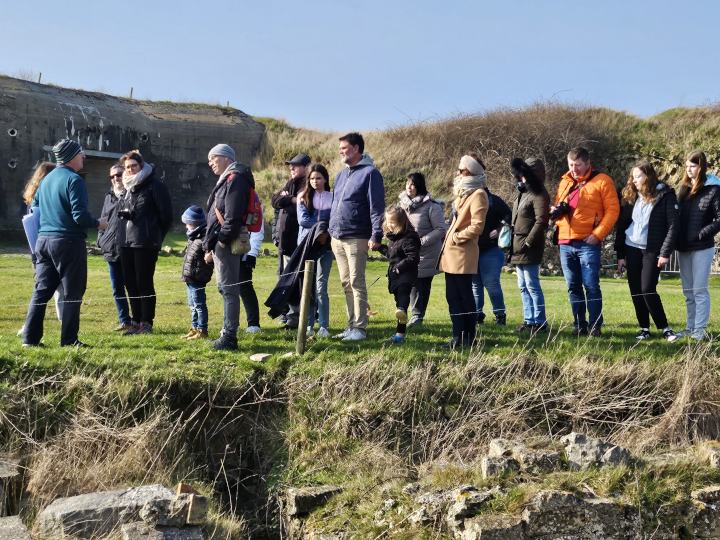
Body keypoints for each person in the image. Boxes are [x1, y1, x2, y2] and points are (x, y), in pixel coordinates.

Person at [21, 139, 107, 347]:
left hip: (43, 241)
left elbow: (36, 211)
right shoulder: (74, 180)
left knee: (41, 290)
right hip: (67, 241)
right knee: (72, 291)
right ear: (71, 156)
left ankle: (30, 339)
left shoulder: (46, 180)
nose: (84, 157)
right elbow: (80, 216)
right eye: (81, 153)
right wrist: (98, 223)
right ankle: (69, 340)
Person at [552, 147, 619, 336]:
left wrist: (597, 234)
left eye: (577, 165)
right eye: (571, 165)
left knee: (591, 285)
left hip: (588, 243)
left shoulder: (603, 181)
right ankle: (579, 324)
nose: (574, 169)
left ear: (588, 163)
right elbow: (560, 205)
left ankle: (595, 326)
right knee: (572, 286)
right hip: (565, 242)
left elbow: (613, 211)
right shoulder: (565, 181)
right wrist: (556, 213)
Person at [329, 132, 385, 342]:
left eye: (344, 148)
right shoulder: (341, 175)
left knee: (356, 281)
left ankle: (360, 328)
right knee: (345, 282)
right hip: (338, 237)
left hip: (357, 236)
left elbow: (377, 207)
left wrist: (376, 234)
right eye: (340, 148)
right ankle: (351, 325)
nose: (340, 152)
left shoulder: (371, 173)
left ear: (356, 149)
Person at [615, 160, 679, 341]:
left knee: (647, 288)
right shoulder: (630, 196)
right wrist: (620, 255)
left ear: (648, 176)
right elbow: (622, 226)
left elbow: (673, 226)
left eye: (638, 176)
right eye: (633, 177)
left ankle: (665, 328)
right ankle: (644, 328)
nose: (634, 180)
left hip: (652, 250)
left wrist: (665, 253)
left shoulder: (665, 195)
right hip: (631, 247)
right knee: (636, 290)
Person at [203, 143, 255, 351]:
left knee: (228, 288)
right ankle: (227, 333)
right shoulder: (229, 178)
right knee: (225, 287)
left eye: (212, 158)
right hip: (221, 242)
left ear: (225, 158)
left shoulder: (235, 179)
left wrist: (221, 241)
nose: (210, 163)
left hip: (225, 242)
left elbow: (232, 216)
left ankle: (230, 337)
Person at [117, 150, 173, 335]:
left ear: (141, 165)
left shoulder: (155, 185)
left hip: (145, 242)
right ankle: (135, 320)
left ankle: (146, 322)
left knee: (144, 282)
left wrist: (155, 236)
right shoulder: (126, 188)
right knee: (130, 283)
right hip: (125, 242)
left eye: (134, 165)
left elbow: (166, 216)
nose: (131, 169)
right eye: (127, 167)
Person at [439, 154, 489, 349]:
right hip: (452, 254)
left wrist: (456, 237)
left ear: (469, 172)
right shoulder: (463, 193)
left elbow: (477, 226)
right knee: (453, 297)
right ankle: (459, 336)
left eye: (461, 170)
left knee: (463, 297)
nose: (458, 173)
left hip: (463, 253)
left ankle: (465, 337)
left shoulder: (478, 194)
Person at [675, 150, 720, 340]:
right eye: (687, 166)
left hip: (702, 247)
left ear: (701, 167)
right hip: (683, 247)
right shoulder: (684, 189)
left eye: (692, 166)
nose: (689, 170)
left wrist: (702, 234)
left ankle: (699, 331)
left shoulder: (714, 189)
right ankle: (690, 327)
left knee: (699, 290)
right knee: (688, 291)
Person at [398, 172, 446, 327]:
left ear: (419, 186)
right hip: (407, 252)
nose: (409, 187)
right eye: (407, 184)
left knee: (421, 284)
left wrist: (421, 242)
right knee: (409, 282)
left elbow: (440, 229)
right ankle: (408, 313)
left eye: (412, 184)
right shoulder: (402, 204)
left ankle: (417, 316)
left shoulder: (432, 206)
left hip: (427, 253)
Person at [509, 157, 550, 334]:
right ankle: (529, 320)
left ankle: (539, 322)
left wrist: (528, 242)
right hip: (518, 246)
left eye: (525, 175)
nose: (521, 178)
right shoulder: (523, 193)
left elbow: (541, 221)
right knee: (522, 286)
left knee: (532, 285)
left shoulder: (539, 194)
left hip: (529, 246)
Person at [20, 161, 64, 327]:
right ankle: (31, 327)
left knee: (42, 289)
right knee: (52, 289)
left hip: (36, 248)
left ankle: (29, 327)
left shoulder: (33, 197)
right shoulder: (46, 197)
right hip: (49, 245)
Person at [271, 153, 310, 328]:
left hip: (297, 242)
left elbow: (307, 203)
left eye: (295, 165)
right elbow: (275, 200)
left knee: (295, 281)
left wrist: (286, 199)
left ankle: (295, 318)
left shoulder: (309, 184)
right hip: (284, 242)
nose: (291, 168)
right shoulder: (290, 183)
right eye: (290, 165)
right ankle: (286, 314)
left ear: (306, 167)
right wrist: (292, 199)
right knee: (283, 278)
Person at [471, 158, 512, 326]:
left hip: (491, 250)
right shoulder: (468, 201)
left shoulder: (494, 200)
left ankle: (500, 315)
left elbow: (509, 216)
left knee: (491, 282)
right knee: (475, 284)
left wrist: (501, 228)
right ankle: (476, 314)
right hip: (473, 248)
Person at [297, 163, 334, 338]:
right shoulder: (302, 197)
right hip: (307, 247)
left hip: (326, 246)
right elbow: (303, 221)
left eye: (318, 178)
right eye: (312, 178)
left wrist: (325, 234)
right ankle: (309, 324)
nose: (315, 181)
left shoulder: (333, 197)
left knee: (321, 286)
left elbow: (335, 220)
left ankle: (324, 326)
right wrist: (321, 229)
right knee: (308, 287)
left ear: (325, 179)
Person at [97, 163, 132, 332]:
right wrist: (100, 240)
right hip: (111, 248)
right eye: (112, 176)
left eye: (118, 174)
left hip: (129, 247)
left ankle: (140, 320)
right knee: (116, 287)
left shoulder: (131, 194)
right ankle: (124, 320)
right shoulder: (109, 196)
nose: (115, 178)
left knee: (133, 286)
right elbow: (103, 219)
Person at [380, 206, 420, 344]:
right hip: (395, 274)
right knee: (398, 301)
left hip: (406, 273)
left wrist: (399, 267)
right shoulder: (394, 238)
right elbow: (392, 255)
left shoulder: (409, 237)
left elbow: (413, 257)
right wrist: (379, 247)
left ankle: (402, 309)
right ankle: (400, 335)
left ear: (402, 222)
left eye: (393, 222)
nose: (389, 225)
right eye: (388, 221)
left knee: (403, 293)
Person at [181, 205, 213, 340]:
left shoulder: (205, 237)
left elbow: (209, 257)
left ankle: (202, 330)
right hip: (190, 277)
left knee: (199, 305)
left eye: (187, 224)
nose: (186, 227)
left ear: (194, 224)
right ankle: (194, 328)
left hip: (198, 277)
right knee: (192, 305)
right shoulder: (193, 237)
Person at [241, 222, 265, 335]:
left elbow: (257, 229)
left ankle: (253, 324)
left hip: (244, 251)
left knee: (245, 288)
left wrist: (252, 253)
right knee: (227, 289)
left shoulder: (252, 204)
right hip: (225, 251)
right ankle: (230, 324)